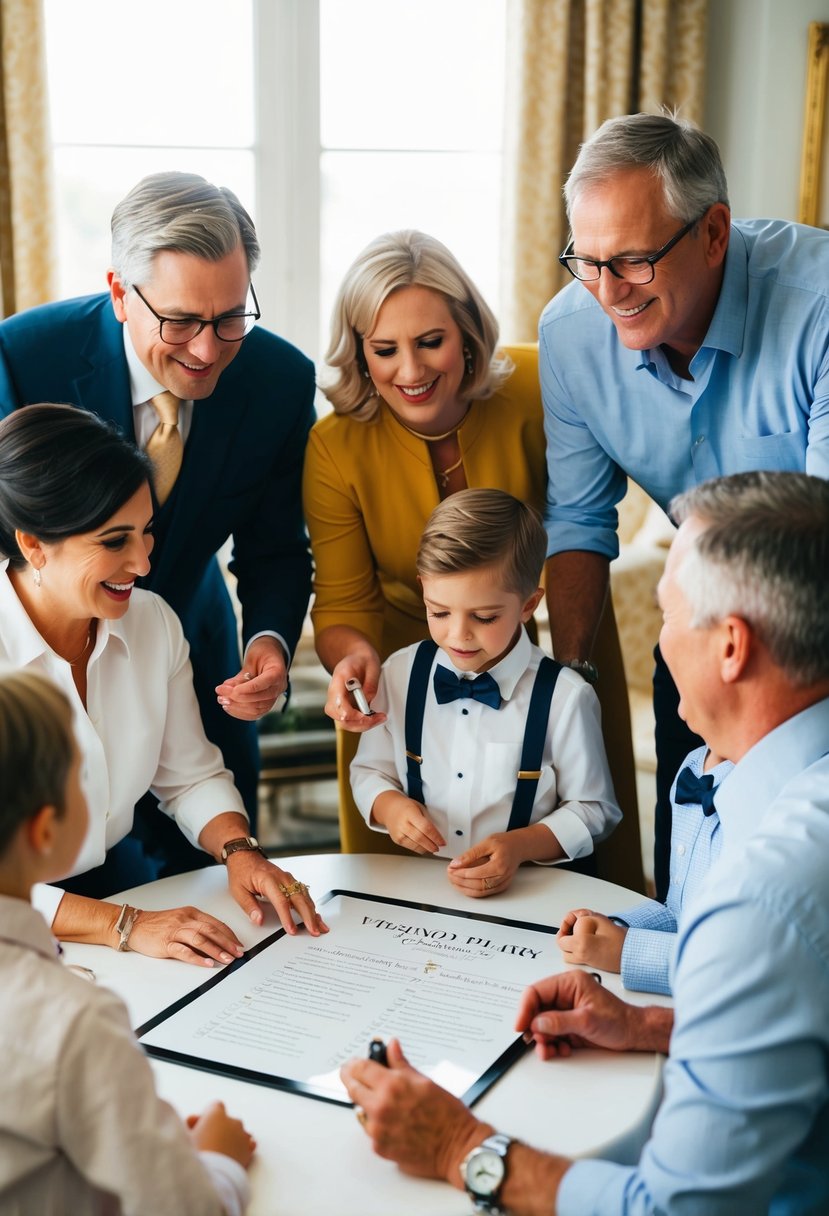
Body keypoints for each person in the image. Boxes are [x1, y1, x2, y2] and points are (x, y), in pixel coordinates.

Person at [342, 470, 829, 1215]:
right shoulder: (719, 781)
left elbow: (676, 1208)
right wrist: (648, 1024)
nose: (656, 644)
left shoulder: (762, 899)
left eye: (665, 615)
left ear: (730, 646)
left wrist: (456, 1147)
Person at [538, 111, 829, 900]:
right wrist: (568, 683)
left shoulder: (818, 304)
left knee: (797, 890)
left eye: (631, 260)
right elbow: (578, 524)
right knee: (690, 879)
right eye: (586, 262)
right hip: (697, 640)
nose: (606, 292)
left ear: (713, 232)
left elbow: (821, 543)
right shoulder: (568, 336)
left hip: (811, 643)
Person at [0, 171, 315, 876]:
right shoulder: (25, 357)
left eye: (230, 317)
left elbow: (275, 551)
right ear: (119, 293)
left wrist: (268, 643)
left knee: (203, 875)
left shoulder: (279, 383)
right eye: (180, 322)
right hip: (34, 643)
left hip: (192, 645)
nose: (207, 351)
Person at [304, 229, 638, 881]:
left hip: (561, 625)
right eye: (384, 349)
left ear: (467, 332)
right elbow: (344, 600)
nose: (411, 371)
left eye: (430, 341)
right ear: (358, 351)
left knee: (584, 871)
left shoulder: (540, 385)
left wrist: (564, 676)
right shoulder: (334, 446)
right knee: (399, 891)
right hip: (398, 665)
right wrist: (354, 668)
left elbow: (580, 522)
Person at [0, 404, 325, 963]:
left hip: (107, 886)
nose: (144, 563)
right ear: (33, 545)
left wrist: (241, 852)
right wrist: (125, 925)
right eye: (114, 541)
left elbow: (190, 775)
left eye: (147, 532)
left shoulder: (152, 621)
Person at [0, 667, 256, 1216]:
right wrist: (219, 1160)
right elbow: (184, 1207)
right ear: (47, 830)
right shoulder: (74, 1023)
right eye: (83, 775)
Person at [350, 489, 620, 893]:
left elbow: (595, 809)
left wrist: (520, 846)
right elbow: (369, 770)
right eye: (439, 612)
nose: (458, 634)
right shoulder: (400, 674)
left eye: (484, 616)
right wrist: (390, 807)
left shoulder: (565, 697)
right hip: (426, 890)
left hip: (533, 892)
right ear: (423, 587)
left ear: (528, 605)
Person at [557, 743, 733, 994]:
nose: (679, 707)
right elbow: (678, 910)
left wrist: (625, 951)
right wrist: (613, 928)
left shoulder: (767, 794)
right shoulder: (693, 762)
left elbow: (739, 963)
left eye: (684, 700)